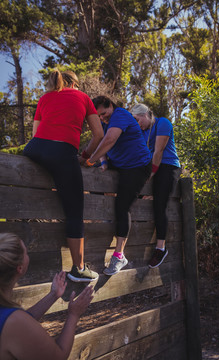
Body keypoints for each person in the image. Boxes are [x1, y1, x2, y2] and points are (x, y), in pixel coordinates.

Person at [23, 70, 104, 282]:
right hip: (63, 151)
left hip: (34, 149)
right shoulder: (84, 98)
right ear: (74, 84)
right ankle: (78, 269)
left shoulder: (45, 97)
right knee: (75, 212)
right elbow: (99, 135)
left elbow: (36, 134)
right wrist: (85, 157)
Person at [0, 232, 94, 360]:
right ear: (20, 268)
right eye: (26, 252)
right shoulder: (14, 321)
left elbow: (22, 321)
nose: (28, 255)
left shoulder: (11, 318)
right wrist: (74, 315)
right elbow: (58, 356)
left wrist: (53, 295)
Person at [90, 96, 152, 276]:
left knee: (122, 206)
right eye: (99, 116)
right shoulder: (103, 122)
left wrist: (89, 158)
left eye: (103, 113)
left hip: (138, 166)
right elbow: (101, 141)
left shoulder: (120, 114)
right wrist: (101, 161)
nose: (102, 118)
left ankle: (119, 256)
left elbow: (109, 140)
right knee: (93, 173)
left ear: (111, 105)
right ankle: (105, 219)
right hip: (121, 164)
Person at [130, 104, 181, 268]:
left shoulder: (163, 123)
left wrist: (150, 175)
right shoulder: (142, 132)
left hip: (167, 166)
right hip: (150, 166)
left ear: (146, 114)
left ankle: (161, 247)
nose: (138, 124)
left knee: (160, 204)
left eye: (138, 120)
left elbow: (158, 152)